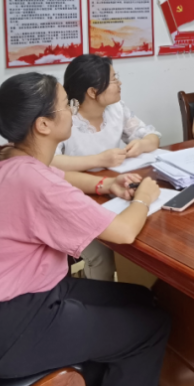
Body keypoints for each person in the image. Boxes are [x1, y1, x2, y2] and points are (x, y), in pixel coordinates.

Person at [0, 72, 170, 386]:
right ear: (43, 124)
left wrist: (106, 184)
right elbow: (123, 232)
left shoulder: (6, 157)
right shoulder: (33, 183)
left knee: (142, 299)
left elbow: (57, 175)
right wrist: (143, 198)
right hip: (9, 328)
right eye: (67, 105)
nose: (73, 111)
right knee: (151, 327)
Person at [49, 54, 161, 281]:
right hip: (70, 199)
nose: (119, 83)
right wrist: (98, 160)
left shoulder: (116, 108)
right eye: (113, 79)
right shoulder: (65, 117)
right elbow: (49, 162)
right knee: (103, 251)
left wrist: (141, 144)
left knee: (146, 230)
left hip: (110, 192)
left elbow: (152, 136)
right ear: (92, 92)